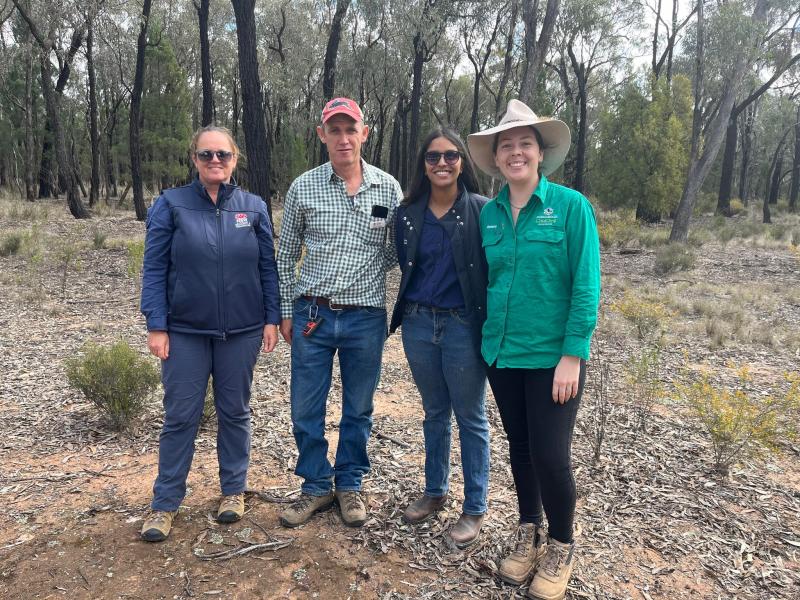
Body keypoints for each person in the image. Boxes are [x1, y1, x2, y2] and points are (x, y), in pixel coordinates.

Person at [467, 100, 600, 599]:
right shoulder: (491, 214)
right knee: (520, 450)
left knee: (550, 455)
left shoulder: (570, 208)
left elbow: (586, 286)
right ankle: (529, 530)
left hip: (552, 359)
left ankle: (562, 543)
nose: (515, 152)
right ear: (497, 158)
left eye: (525, 144)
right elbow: (490, 282)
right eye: (506, 146)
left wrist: (573, 354)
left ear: (540, 154)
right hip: (502, 355)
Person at [139, 125, 280, 542]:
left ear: (235, 159)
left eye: (222, 154)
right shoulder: (171, 204)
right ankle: (165, 503)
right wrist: (157, 325)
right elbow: (154, 268)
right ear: (195, 160)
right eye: (206, 155)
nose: (214, 161)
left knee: (235, 412)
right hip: (184, 332)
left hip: (242, 330)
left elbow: (267, 268)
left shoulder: (253, 207)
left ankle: (233, 490)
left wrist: (271, 317)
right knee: (180, 415)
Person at [277, 97, 402, 529]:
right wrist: (284, 311)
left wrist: (361, 270)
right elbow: (286, 253)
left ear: (365, 133)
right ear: (322, 134)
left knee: (359, 407)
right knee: (304, 407)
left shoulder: (388, 189)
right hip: (312, 314)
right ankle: (315, 485)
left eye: (352, 129)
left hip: (366, 317)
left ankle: (349, 483)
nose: (344, 138)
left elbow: (396, 252)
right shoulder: (303, 188)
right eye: (336, 130)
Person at [389, 127, 490, 548]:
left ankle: (475, 507)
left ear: (463, 162)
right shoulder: (408, 213)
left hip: (463, 326)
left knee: (470, 415)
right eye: (433, 157)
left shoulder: (483, 211)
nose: (442, 163)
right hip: (417, 323)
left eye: (451, 156)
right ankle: (435, 491)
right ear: (423, 165)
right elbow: (404, 264)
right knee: (434, 411)